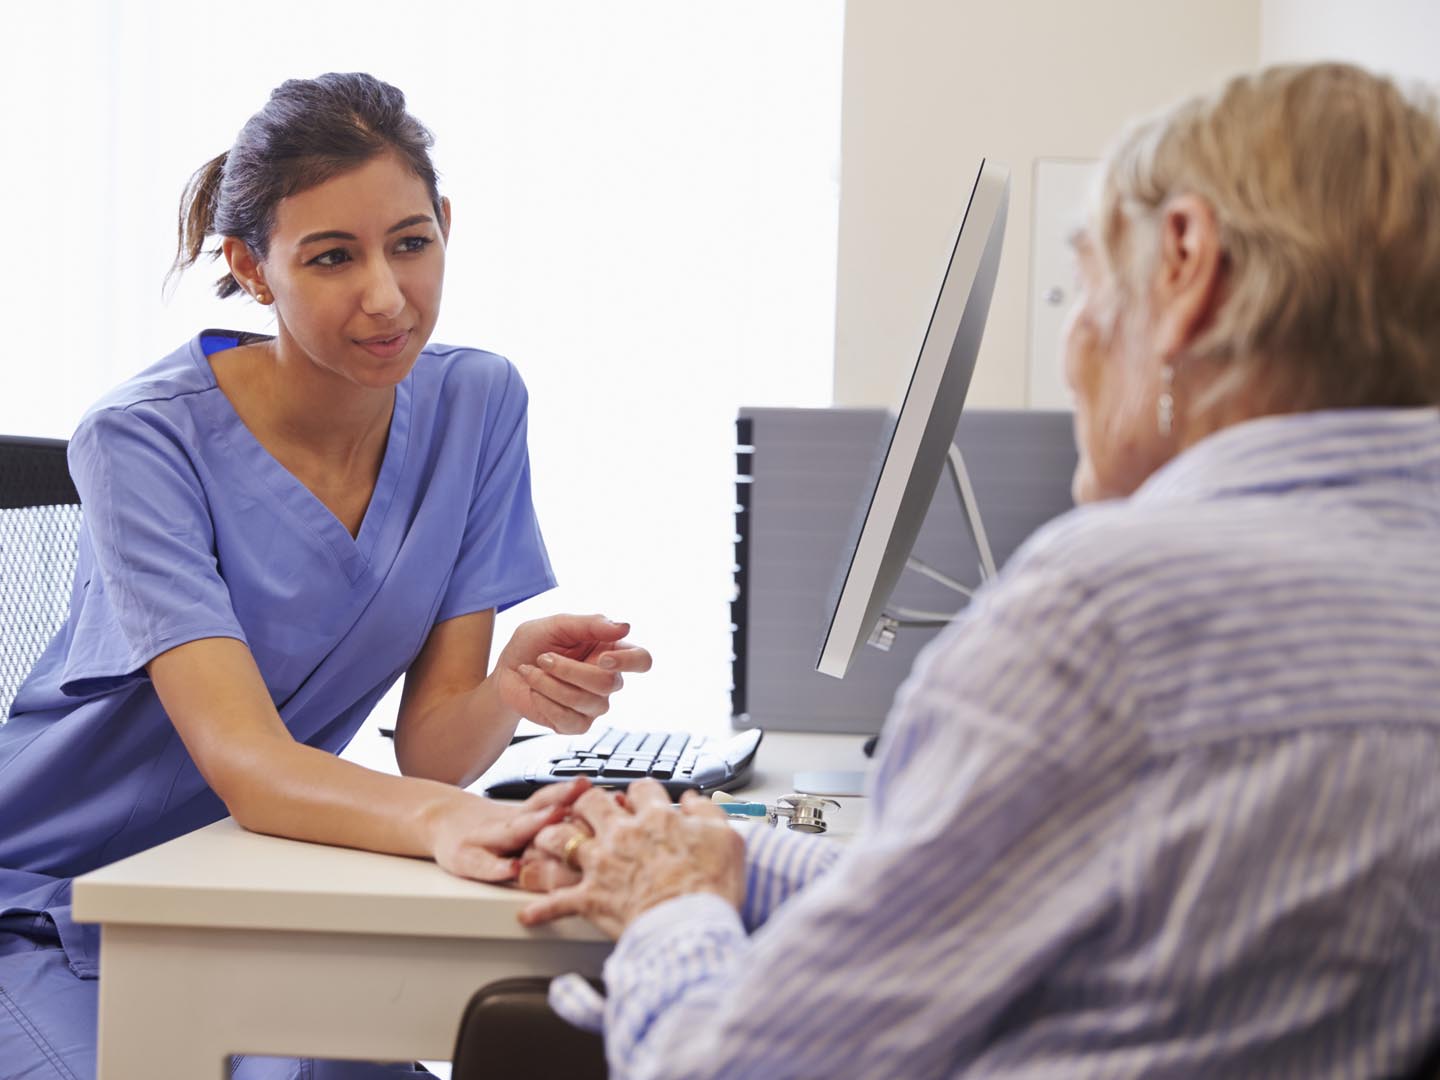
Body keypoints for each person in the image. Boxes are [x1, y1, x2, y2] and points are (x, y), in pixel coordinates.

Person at [516, 62, 1440, 1078]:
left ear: (1188, 264)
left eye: (1088, 286)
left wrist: (670, 910)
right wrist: (728, 859)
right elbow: (992, 893)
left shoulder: (1105, 621)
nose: (1074, 349)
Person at [0, 72, 651, 1079]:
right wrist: (456, 825)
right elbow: (249, 761)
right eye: (332, 258)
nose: (387, 297)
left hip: (256, 886)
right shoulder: (139, 441)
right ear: (252, 270)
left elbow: (434, 754)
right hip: (48, 899)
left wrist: (507, 691)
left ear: (445, 223)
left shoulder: (476, 404)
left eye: (410, 242)